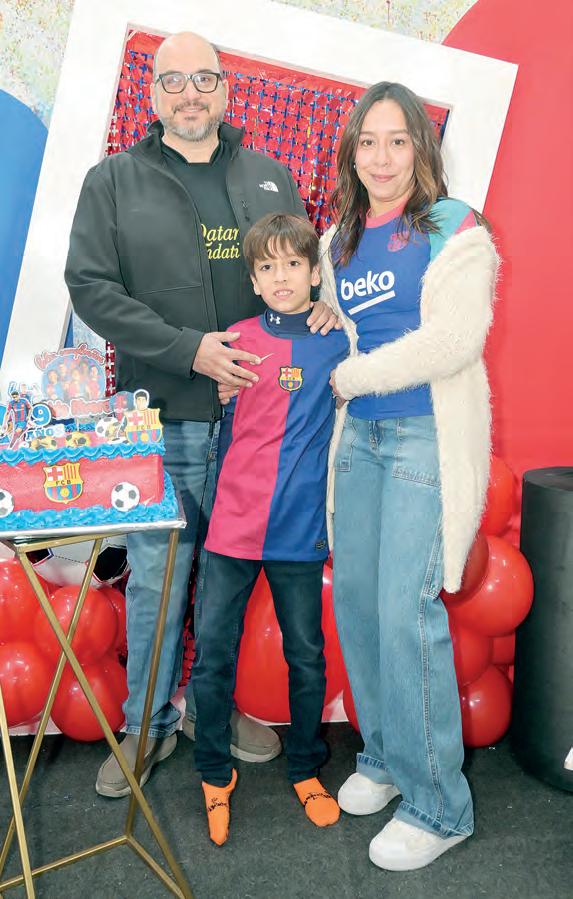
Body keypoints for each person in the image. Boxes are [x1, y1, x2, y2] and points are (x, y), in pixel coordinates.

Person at [64, 31, 337, 798]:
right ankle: (146, 724)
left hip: (260, 427)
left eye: (204, 79)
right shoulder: (113, 180)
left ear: (225, 89)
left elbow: (298, 274)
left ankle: (209, 710)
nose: (190, 94)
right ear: (153, 94)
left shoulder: (268, 174)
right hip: (166, 418)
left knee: (231, 581)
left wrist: (323, 309)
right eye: (174, 80)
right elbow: (90, 286)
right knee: (159, 580)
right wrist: (191, 351)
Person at [318, 82, 498, 870]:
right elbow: (336, 325)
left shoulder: (455, 226)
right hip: (358, 441)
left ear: (420, 149)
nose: (381, 157)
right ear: (351, 151)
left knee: (403, 611)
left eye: (397, 140)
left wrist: (352, 376)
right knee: (358, 605)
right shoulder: (337, 239)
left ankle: (438, 806)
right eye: (367, 141)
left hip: (424, 436)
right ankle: (387, 758)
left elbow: (455, 339)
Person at [192, 212, 348, 845]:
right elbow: (212, 410)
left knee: (305, 655)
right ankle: (212, 772)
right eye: (267, 266)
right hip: (233, 524)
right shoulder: (234, 340)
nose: (280, 277)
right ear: (253, 279)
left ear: (313, 273)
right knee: (213, 653)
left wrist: (336, 315)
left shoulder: (337, 339)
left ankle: (306, 768)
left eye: (292, 264)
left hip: (299, 528)